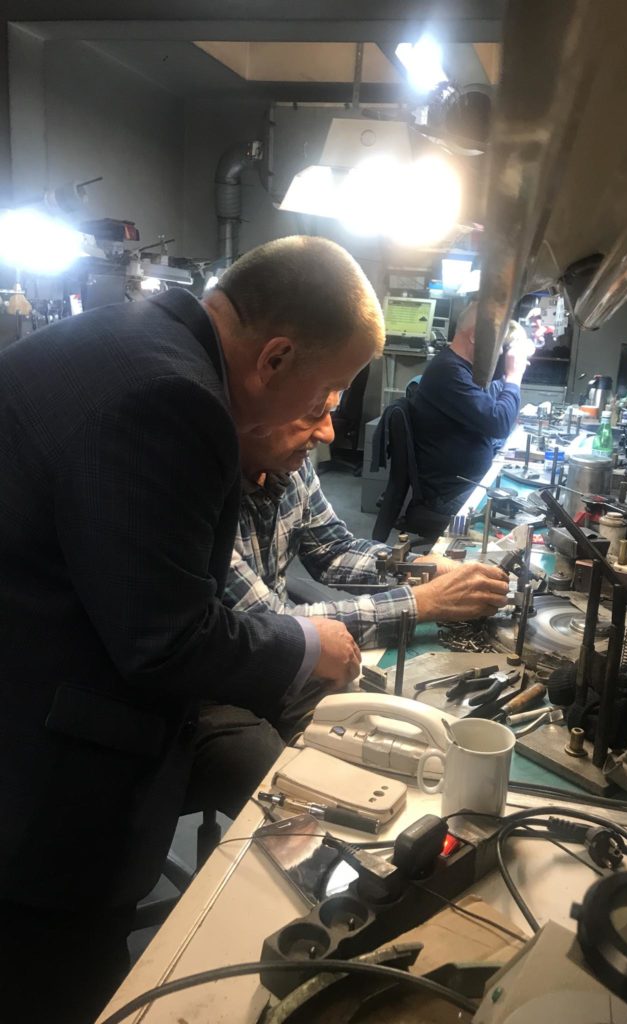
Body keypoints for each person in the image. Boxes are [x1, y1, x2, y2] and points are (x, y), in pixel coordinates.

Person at [0, 235, 384, 1024]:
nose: (326, 425)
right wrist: (307, 645)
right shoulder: (176, 400)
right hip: (41, 788)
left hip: (35, 681)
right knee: (68, 988)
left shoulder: (122, 337)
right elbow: (166, 639)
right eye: (326, 394)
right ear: (275, 358)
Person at [185, 402, 512, 818]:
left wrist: (423, 570)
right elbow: (267, 626)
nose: (328, 434)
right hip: (207, 686)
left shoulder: (289, 464)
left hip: (274, 651)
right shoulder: (198, 490)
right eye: (312, 410)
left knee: (383, 743)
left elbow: (334, 549)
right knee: (301, 798)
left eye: (331, 411)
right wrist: (423, 603)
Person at [410, 301, 536, 515]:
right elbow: (499, 423)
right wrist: (514, 376)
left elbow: (494, 412)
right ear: (476, 336)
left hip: (471, 483)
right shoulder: (450, 371)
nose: (501, 351)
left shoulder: (466, 370)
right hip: (452, 494)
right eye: (499, 343)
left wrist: (509, 366)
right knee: (526, 515)